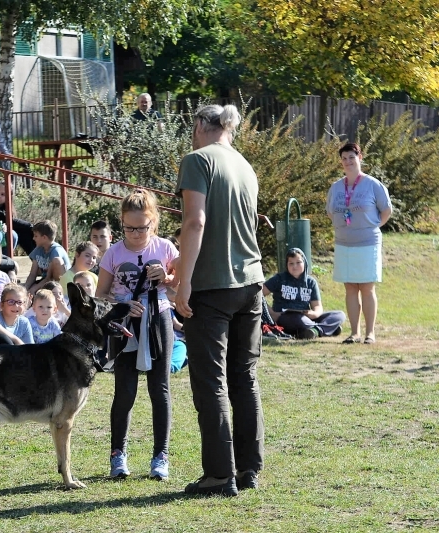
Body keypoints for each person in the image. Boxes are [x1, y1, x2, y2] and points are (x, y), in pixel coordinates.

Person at [174, 103, 265, 496]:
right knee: (244, 378)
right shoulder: (245, 165)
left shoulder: (197, 160)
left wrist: (183, 281)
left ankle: (218, 474)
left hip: (211, 286)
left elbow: (196, 222)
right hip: (251, 283)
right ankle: (248, 469)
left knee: (210, 383)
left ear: (199, 125)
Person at [96, 188, 178, 481]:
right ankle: (118, 454)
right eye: (128, 228)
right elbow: (100, 296)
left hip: (159, 319)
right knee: (125, 391)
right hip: (124, 325)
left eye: (141, 228)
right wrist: (121, 305)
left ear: (153, 222)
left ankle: (161, 456)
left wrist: (166, 278)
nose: (134, 234)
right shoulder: (114, 252)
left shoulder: (166, 248)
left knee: (160, 388)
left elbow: (179, 287)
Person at [327, 142, 392, 344]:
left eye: (351, 158)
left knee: (366, 287)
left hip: (367, 243)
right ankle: (354, 333)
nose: (348, 162)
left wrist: (372, 226)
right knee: (350, 288)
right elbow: (331, 212)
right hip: (344, 243)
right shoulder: (336, 187)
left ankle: (370, 333)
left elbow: (386, 210)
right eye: (344, 158)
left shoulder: (373, 184)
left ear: (360, 158)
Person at [263, 248, 346, 339]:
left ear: (304, 263)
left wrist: (314, 314)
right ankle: (327, 328)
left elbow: (317, 306)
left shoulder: (311, 282)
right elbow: (258, 295)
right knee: (300, 321)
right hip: (286, 317)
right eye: (291, 263)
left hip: (306, 316)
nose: (295, 266)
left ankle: (315, 330)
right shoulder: (279, 279)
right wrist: (271, 312)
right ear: (287, 265)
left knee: (339, 315)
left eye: (298, 262)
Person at [24, 220, 71, 295]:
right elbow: (33, 274)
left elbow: (49, 278)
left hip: (58, 282)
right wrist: (25, 288)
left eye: (36, 236)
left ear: (44, 237)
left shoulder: (56, 251)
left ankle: (59, 292)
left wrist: (34, 288)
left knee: (57, 261)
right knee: (26, 290)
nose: (33, 238)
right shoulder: (38, 249)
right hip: (46, 281)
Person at [0, 180, 35, 254]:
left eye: (3, 194)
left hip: (2, 234)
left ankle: (38, 260)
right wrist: (30, 226)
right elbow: (8, 220)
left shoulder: (5, 208)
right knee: (20, 231)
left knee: (24, 233)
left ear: (9, 197)